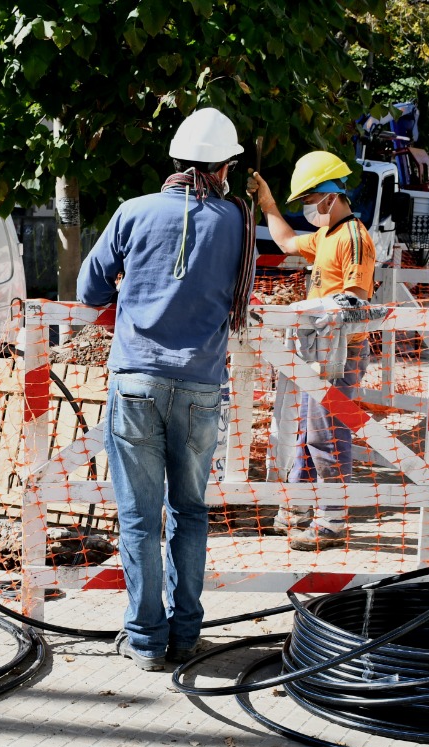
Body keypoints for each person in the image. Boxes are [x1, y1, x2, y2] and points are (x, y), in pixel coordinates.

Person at [77, 107, 254, 671]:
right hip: (201, 386)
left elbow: (89, 289)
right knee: (190, 513)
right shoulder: (237, 221)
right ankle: (185, 635)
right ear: (224, 167)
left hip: (136, 382)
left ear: (176, 160)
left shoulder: (133, 211)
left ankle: (147, 641)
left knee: (138, 517)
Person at [247, 151, 376, 551]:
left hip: (339, 354)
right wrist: (267, 204)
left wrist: (304, 309)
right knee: (309, 434)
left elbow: (354, 299)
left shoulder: (354, 238)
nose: (307, 207)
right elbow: (286, 241)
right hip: (319, 351)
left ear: (330, 195)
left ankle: (332, 523)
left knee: (328, 435)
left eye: (309, 199)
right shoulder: (326, 236)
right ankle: (299, 509)